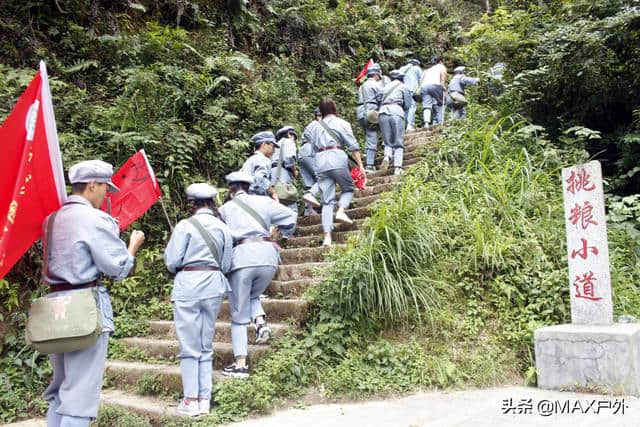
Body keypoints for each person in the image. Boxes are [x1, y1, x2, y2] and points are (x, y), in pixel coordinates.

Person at [43, 160, 145, 427]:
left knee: (61, 389)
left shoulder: (52, 218)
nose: (105, 195)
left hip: (54, 310)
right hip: (84, 309)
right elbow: (117, 267)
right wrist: (132, 247)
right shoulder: (95, 218)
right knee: (81, 395)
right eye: (104, 188)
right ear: (91, 185)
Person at [164, 183, 233, 417]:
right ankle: (204, 399)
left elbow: (171, 261)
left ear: (191, 203)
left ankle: (190, 400)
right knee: (205, 344)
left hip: (188, 286)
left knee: (189, 346)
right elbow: (226, 264)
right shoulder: (223, 227)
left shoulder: (185, 226)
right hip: (214, 285)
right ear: (213, 202)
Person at [219, 171, 297, 378]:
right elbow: (291, 217)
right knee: (253, 295)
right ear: (249, 186)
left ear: (231, 189)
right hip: (268, 257)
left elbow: (219, 237)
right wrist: (275, 230)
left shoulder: (225, 209)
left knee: (238, 316)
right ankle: (261, 324)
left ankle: (240, 365)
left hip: (242, 258)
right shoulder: (264, 201)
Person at [302, 98, 365, 247]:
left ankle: (327, 238)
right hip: (337, 157)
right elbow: (353, 146)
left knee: (327, 201)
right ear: (334, 109)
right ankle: (342, 210)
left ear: (321, 112)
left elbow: (312, 148)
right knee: (348, 189)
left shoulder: (315, 127)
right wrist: (361, 165)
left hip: (320, 161)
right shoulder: (342, 123)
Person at [378, 70, 413, 176]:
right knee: (398, 140)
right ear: (402, 78)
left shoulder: (384, 88)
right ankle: (397, 167)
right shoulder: (403, 87)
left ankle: (387, 156)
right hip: (396, 111)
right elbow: (407, 105)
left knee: (387, 140)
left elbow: (378, 100)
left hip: (383, 112)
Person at [356, 63, 383, 171]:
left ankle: (368, 159)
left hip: (361, 112)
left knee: (368, 136)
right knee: (372, 137)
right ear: (376, 75)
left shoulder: (362, 86)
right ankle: (370, 164)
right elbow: (381, 98)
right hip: (371, 112)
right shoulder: (376, 85)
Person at [241, 131, 279, 201]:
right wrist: (273, 193)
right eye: (273, 146)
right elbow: (260, 178)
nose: (274, 150)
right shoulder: (263, 159)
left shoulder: (250, 160)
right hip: (255, 198)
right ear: (264, 144)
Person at [272, 126, 300, 215]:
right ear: (289, 134)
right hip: (282, 172)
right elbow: (289, 158)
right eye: (294, 136)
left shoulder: (275, 145)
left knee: (276, 200)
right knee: (288, 198)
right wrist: (294, 170)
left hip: (272, 172)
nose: (294, 139)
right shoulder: (288, 141)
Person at [299, 110, 322, 217]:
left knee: (311, 183)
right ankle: (310, 195)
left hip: (302, 152)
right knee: (322, 178)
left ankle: (308, 210)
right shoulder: (317, 125)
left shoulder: (311, 125)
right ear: (318, 116)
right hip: (310, 150)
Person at [420, 55, 448, 127]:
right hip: (435, 85)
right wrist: (443, 86)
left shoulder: (428, 69)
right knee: (440, 103)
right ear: (441, 61)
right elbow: (443, 77)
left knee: (427, 105)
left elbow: (421, 80)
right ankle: (439, 122)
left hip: (424, 86)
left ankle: (426, 123)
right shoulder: (441, 67)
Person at [399, 59, 423, 131]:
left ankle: (404, 125)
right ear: (417, 64)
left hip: (402, 90)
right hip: (412, 90)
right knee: (412, 107)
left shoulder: (402, 68)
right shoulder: (417, 68)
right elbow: (421, 79)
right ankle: (410, 125)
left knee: (404, 108)